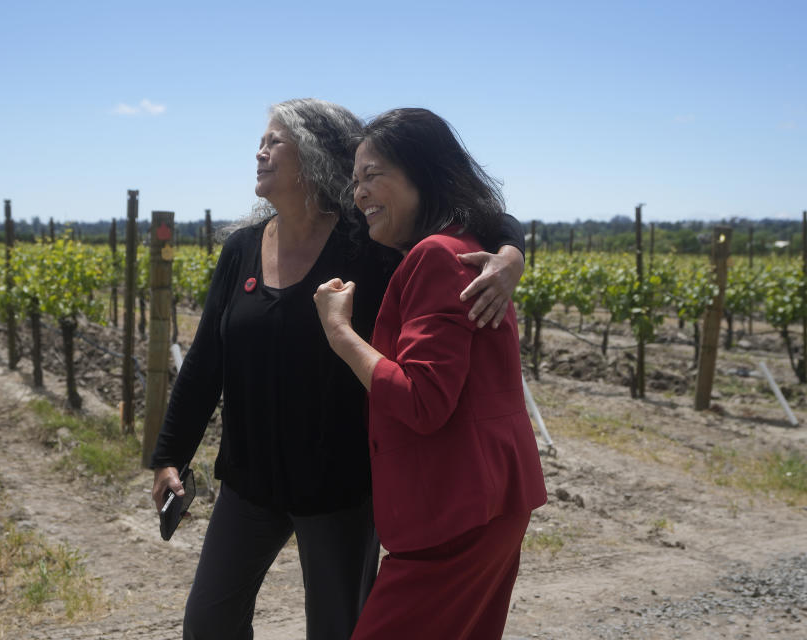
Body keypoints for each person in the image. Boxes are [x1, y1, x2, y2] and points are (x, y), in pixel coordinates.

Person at [149, 99, 526, 640]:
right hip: (249, 482)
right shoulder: (242, 250)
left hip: (340, 488)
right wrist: (169, 456)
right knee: (207, 623)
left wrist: (511, 252)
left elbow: (468, 215)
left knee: (338, 629)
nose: (259, 151)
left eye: (275, 140)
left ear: (314, 154)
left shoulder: (368, 243)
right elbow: (207, 359)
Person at [314, 107, 547, 640]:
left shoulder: (437, 257)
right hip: (489, 499)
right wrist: (514, 251)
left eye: (373, 175)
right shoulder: (467, 245)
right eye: (355, 181)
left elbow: (422, 400)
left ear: (424, 174)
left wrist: (339, 334)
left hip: (454, 511)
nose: (359, 193)